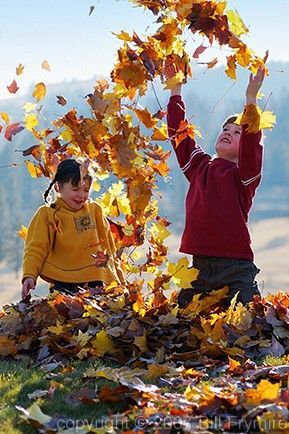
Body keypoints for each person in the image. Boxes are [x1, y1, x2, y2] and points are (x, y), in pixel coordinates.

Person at [164, 59, 267, 308]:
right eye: (225, 128)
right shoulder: (200, 166)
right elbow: (179, 135)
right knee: (183, 324)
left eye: (237, 132)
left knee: (251, 325)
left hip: (236, 269)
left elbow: (253, 144)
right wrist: (175, 91)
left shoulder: (244, 176)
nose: (228, 132)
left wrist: (250, 100)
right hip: (200, 268)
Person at [21, 158, 124, 299]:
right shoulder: (48, 214)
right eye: (75, 189)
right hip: (63, 282)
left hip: (96, 281)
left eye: (86, 190)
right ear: (58, 187)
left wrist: (120, 282)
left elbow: (109, 248)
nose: (81, 195)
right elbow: (36, 247)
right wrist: (30, 275)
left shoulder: (94, 211)